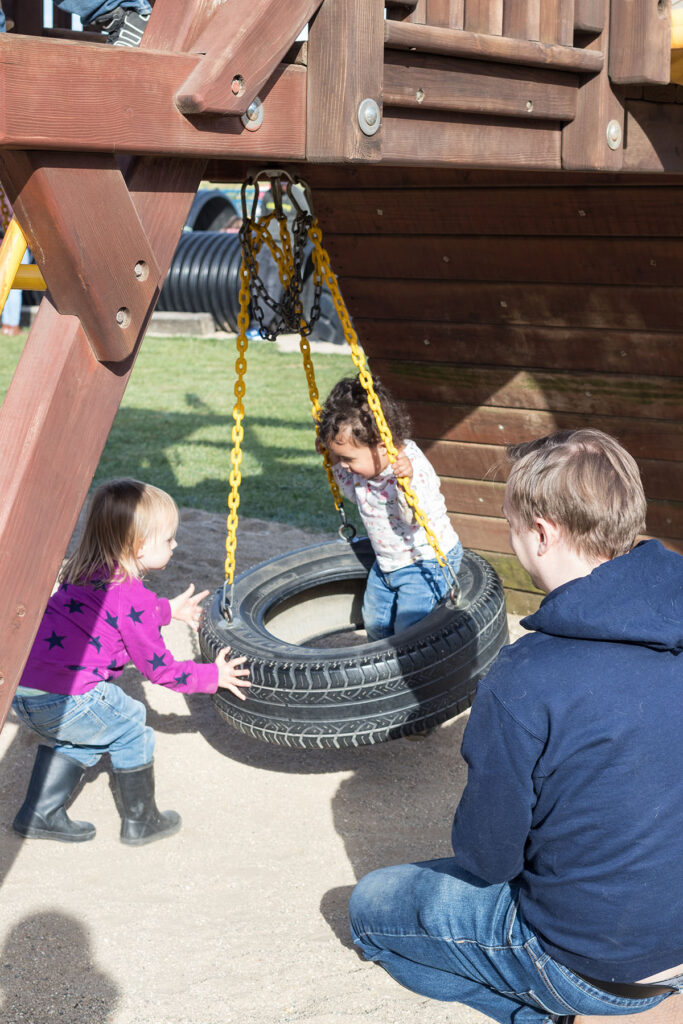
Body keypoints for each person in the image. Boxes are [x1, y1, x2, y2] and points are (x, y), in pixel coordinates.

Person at [348, 428, 683, 1023]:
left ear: (542, 532)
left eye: (509, 523)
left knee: (371, 908)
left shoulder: (526, 674)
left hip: (592, 965)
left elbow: (487, 857)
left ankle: (546, 1009)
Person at [11, 479, 250, 846]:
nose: (175, 544)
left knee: (91, 734)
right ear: (139, 546)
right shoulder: (132, 600)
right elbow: (162, 671)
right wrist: (212, 675)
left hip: (24, 693)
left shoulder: (81, 571)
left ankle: (39, 813)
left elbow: (117, 609)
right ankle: (142, 821)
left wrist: (168, 610)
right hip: (69, 698)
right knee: (131, 727)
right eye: (169, 539)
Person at [317, 374, 462, 640]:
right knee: (374, 624)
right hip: (387, 562)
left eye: (347, 458)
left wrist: (404, 486)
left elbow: (413, 520)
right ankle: (383, 674)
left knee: (410, 632)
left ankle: (413, 676)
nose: (345, 465)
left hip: (426, 561)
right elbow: (353, 492)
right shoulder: (364, 471)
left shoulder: (411, 470)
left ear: (382, 447)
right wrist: (334, 462)